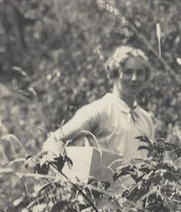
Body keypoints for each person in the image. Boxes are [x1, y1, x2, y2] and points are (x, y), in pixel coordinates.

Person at [41, 46, 155, 176]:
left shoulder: (146, 119)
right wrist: (66, 177)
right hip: (103, 194)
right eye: (128, 72)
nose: (134, 78)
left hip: (139, 196)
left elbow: (149, 165)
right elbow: (54, 140)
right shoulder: (100, 110)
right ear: (115, 74)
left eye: (140, 73)